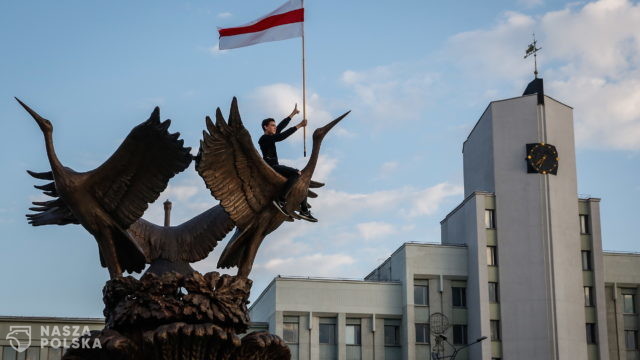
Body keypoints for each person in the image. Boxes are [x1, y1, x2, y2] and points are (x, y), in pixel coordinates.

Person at [259, 104, 317, 222]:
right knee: (296, 173)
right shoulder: (264, 139)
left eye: (275, 126)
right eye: (272, 126)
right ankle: (280, 199)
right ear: (266, 127)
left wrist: (293, 114)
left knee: (300, 181)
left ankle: (304, 210)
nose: (275, 127)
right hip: (271, 167)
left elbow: (280, 127)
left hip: (275, 166)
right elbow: (281, 136)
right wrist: (299, 125)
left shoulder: (271, 135)